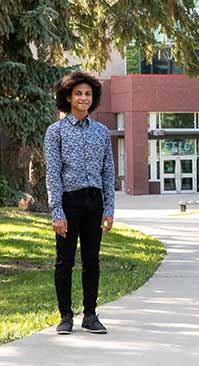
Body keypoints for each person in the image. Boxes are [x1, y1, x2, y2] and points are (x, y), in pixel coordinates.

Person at [44, 71, 115, 335]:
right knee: (64, 262)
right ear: (68, 97)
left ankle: (90, 315)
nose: (83, 98)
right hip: (68, 201)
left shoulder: (102, 132)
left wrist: (109, 208)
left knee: (92, 261)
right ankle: (65, 317)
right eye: (78, 94)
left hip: (94, 201)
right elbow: (52, 173)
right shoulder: (56, 132)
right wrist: (56, 211)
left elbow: (108, 171)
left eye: (88, 94)